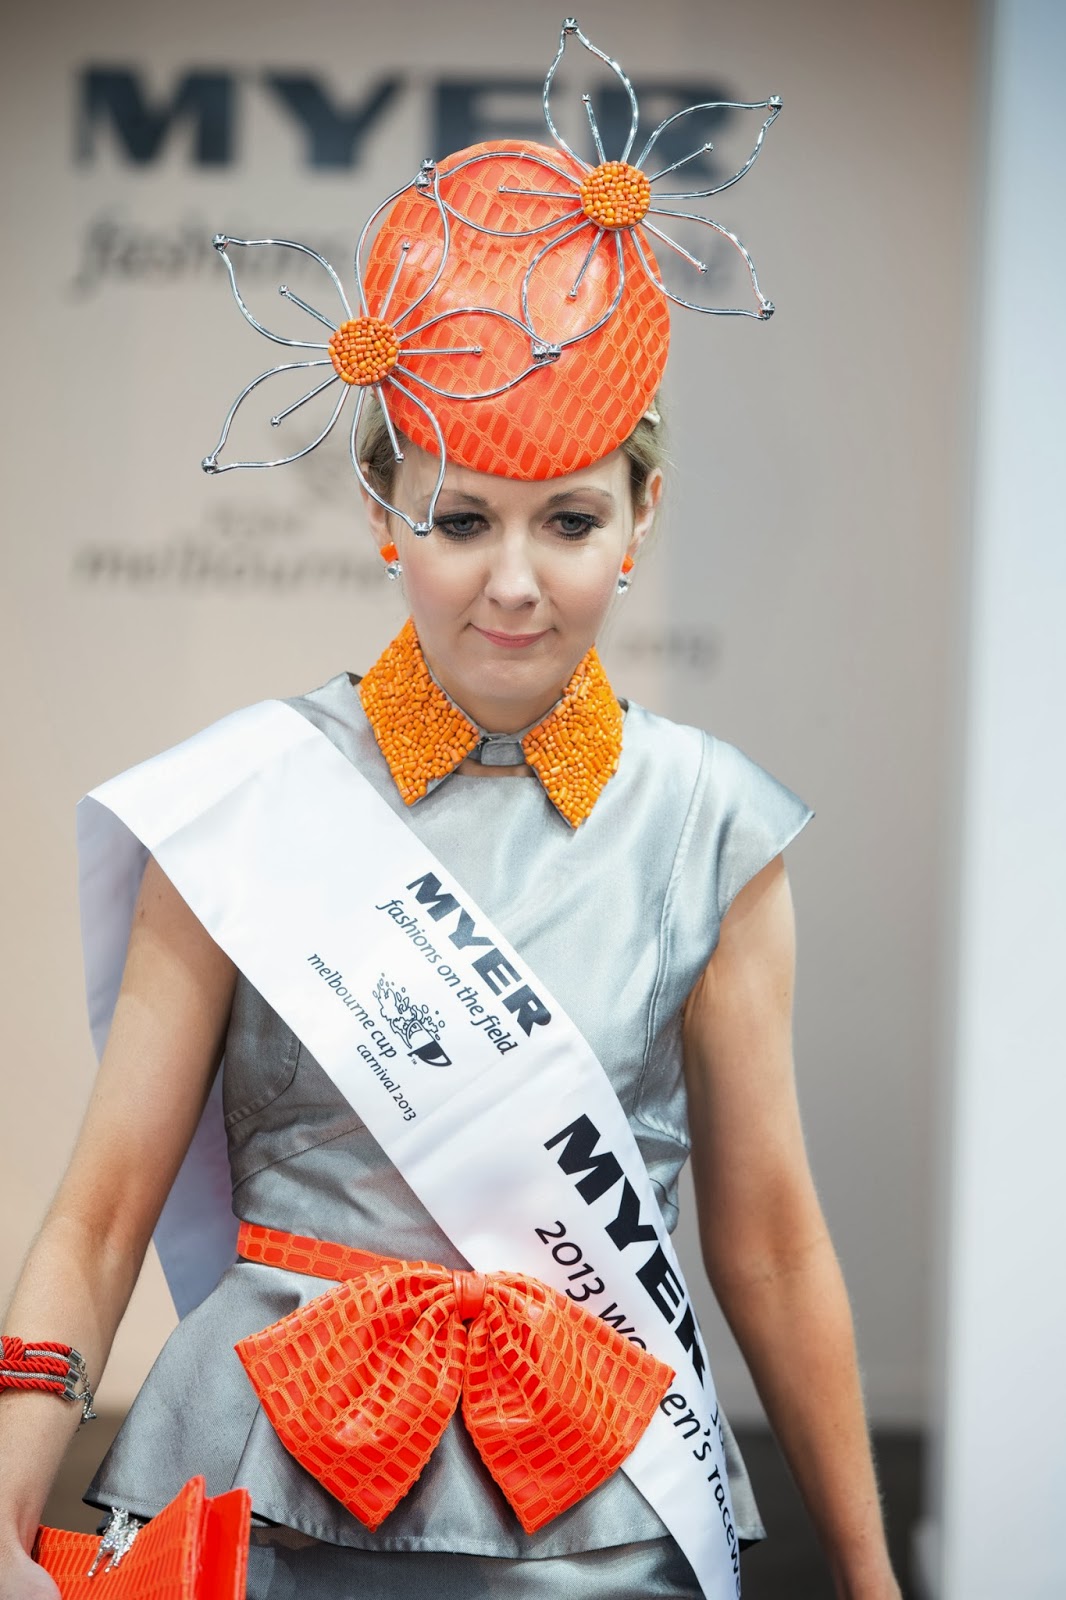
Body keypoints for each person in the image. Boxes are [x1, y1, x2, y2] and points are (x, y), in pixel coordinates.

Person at [0, 22, 902, 1600]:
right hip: (255, 1489)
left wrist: (872, 1577)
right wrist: (3, 1506)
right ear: (378, 517)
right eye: (459, 518)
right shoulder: (247, 799)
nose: (510, 580)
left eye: (567, 520)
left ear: (641, 517)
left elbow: (767, 1248)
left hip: (598, 1516)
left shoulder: (708, 821)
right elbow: (96, 1219)